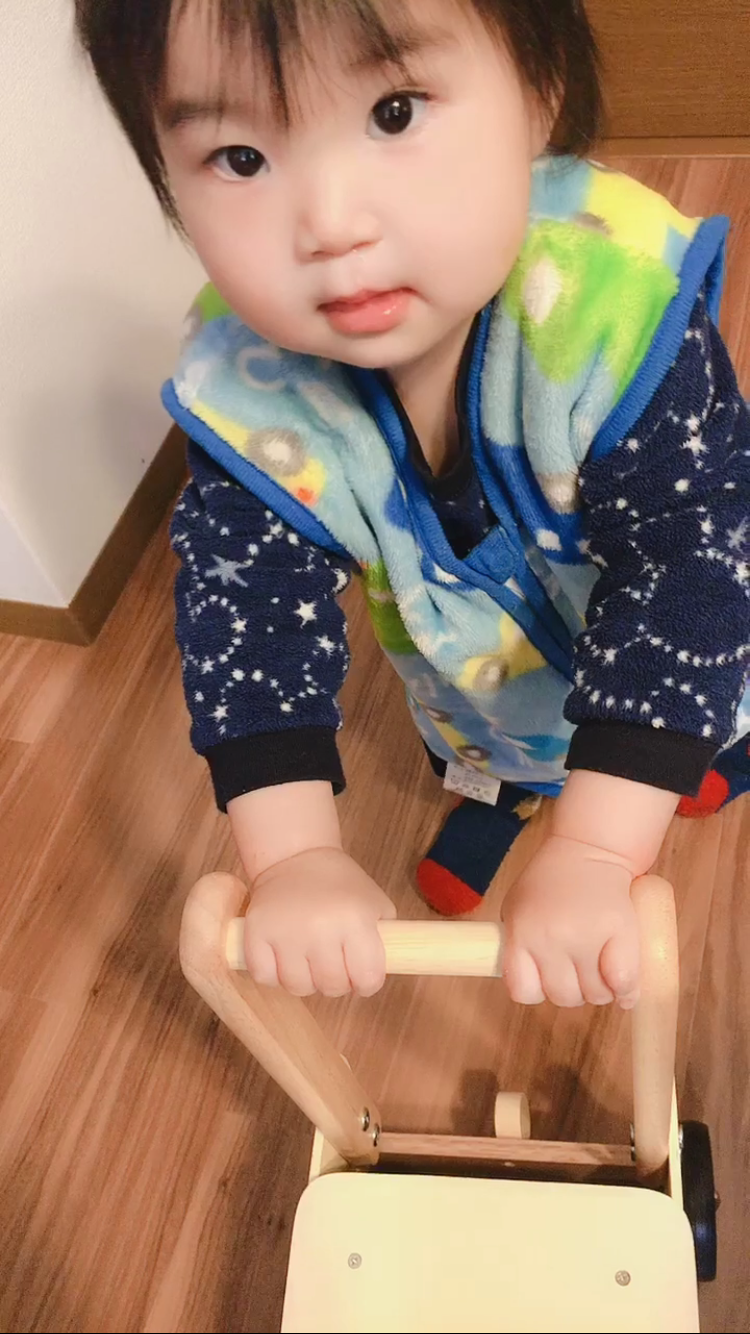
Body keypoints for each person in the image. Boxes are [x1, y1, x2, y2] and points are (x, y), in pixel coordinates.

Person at [76, 0, 750, 1010]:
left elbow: (691, 566)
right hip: (476, 687)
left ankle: (689, 762)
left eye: (393, 113)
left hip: (673, 653)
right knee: (488, 747)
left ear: (539, 94)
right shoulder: (251, 397)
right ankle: (509, 789)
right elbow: (248, 617)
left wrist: (601, 852)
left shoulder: (611, 315)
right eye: (240, 158)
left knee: (694, 716)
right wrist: (294, 856)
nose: (331, 225)